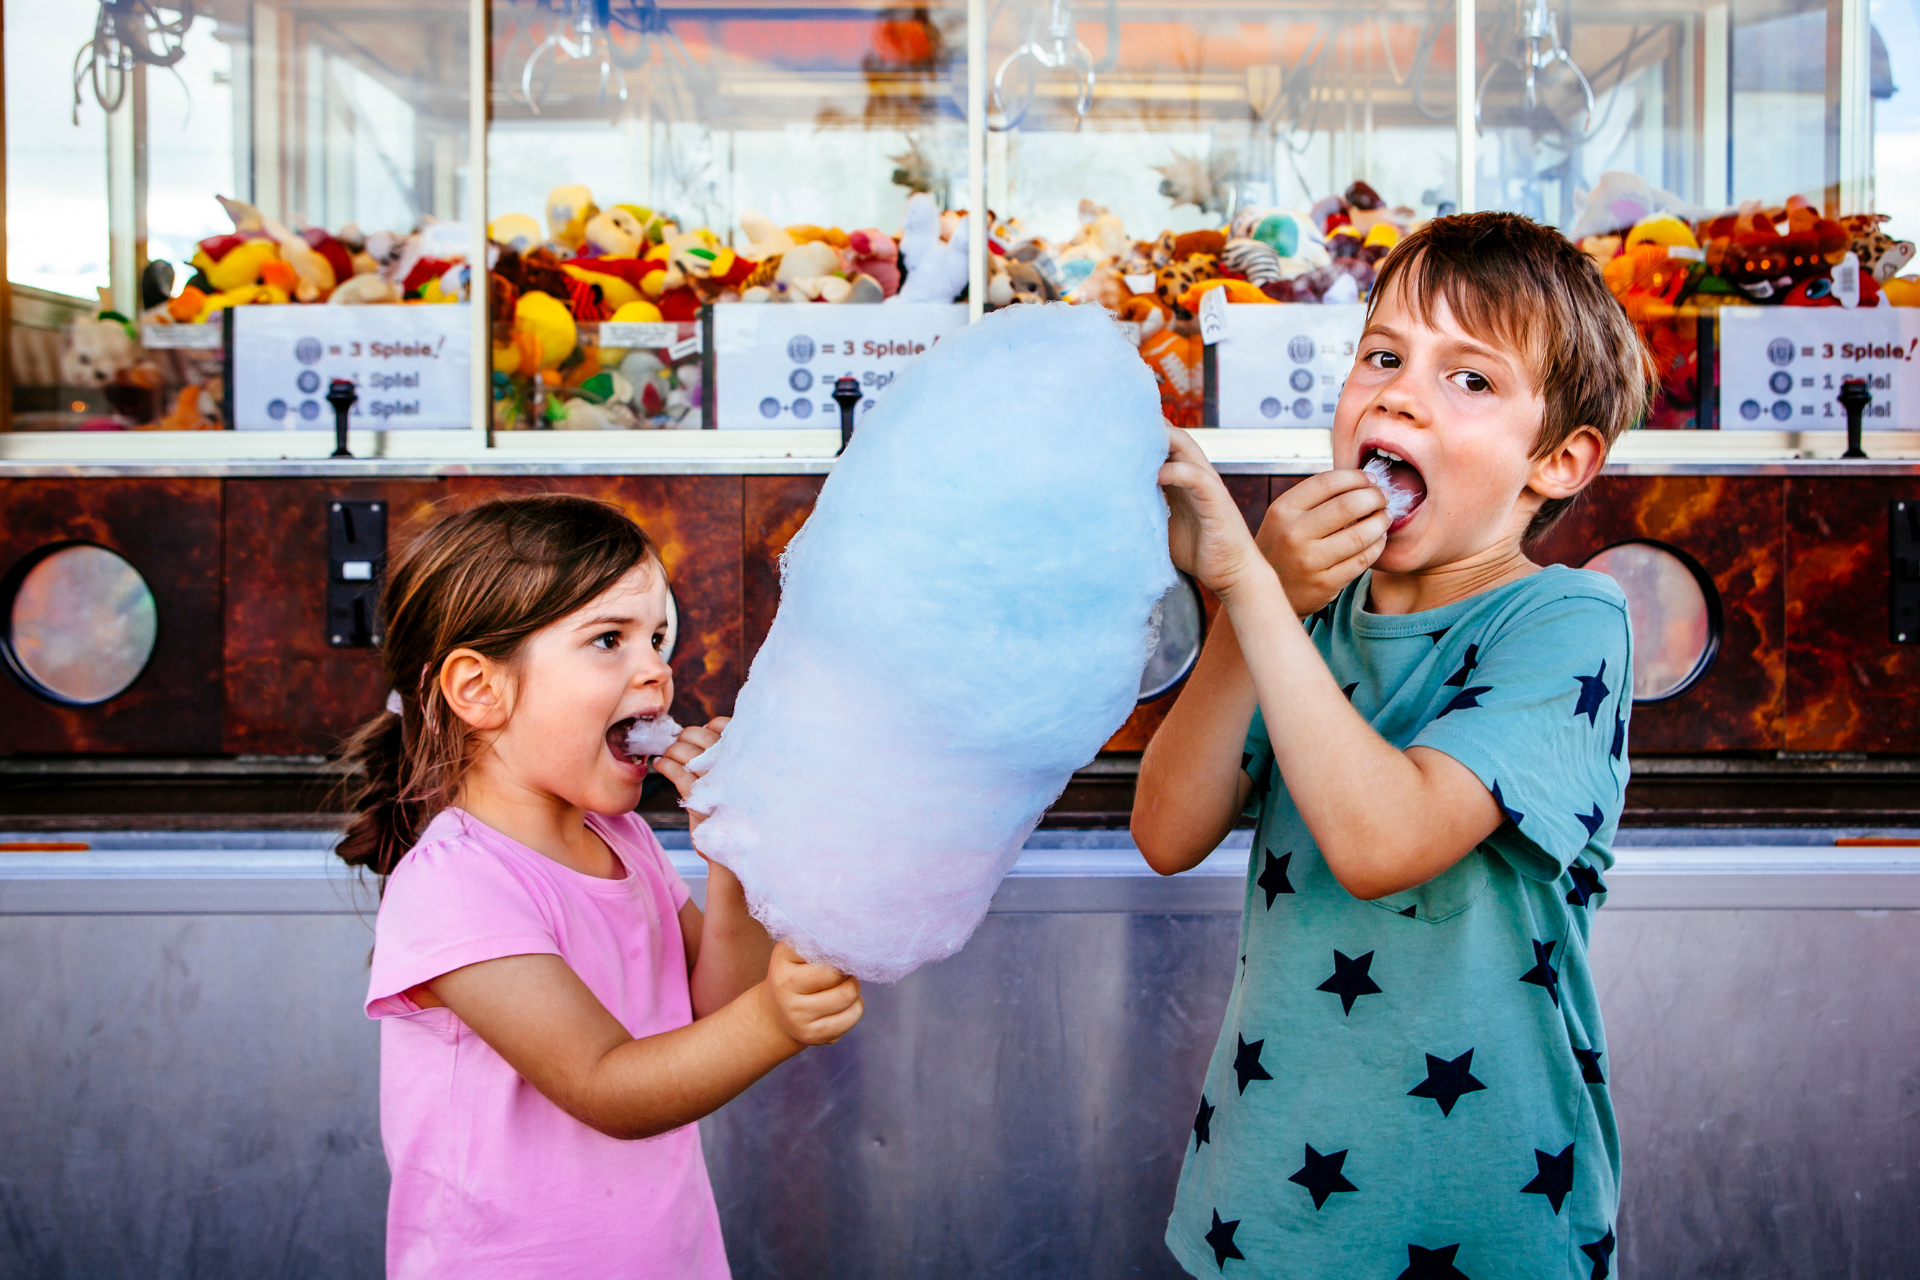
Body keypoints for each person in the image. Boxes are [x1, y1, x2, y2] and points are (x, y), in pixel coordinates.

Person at [1140, 212, 1652, 1279]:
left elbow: (1386, 838)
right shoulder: (1308, 615)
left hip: (1491, 1218)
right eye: (1382, 354)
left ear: (1558, 460)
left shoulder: (1566, 623)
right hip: (1264, 1205)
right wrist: (1264, 600)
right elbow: (1167, 828)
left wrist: (1245, 582)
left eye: (1470, 380)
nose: (1400, 393)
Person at [335, 494, 863, 1279]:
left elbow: (708, 1013)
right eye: (608, 640)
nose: (656, 667)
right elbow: (606, 1084)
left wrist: (733, 856)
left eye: (657, 636)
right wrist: (778, 1021)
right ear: (480, 689)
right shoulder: (458, 887)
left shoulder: (624, 842)